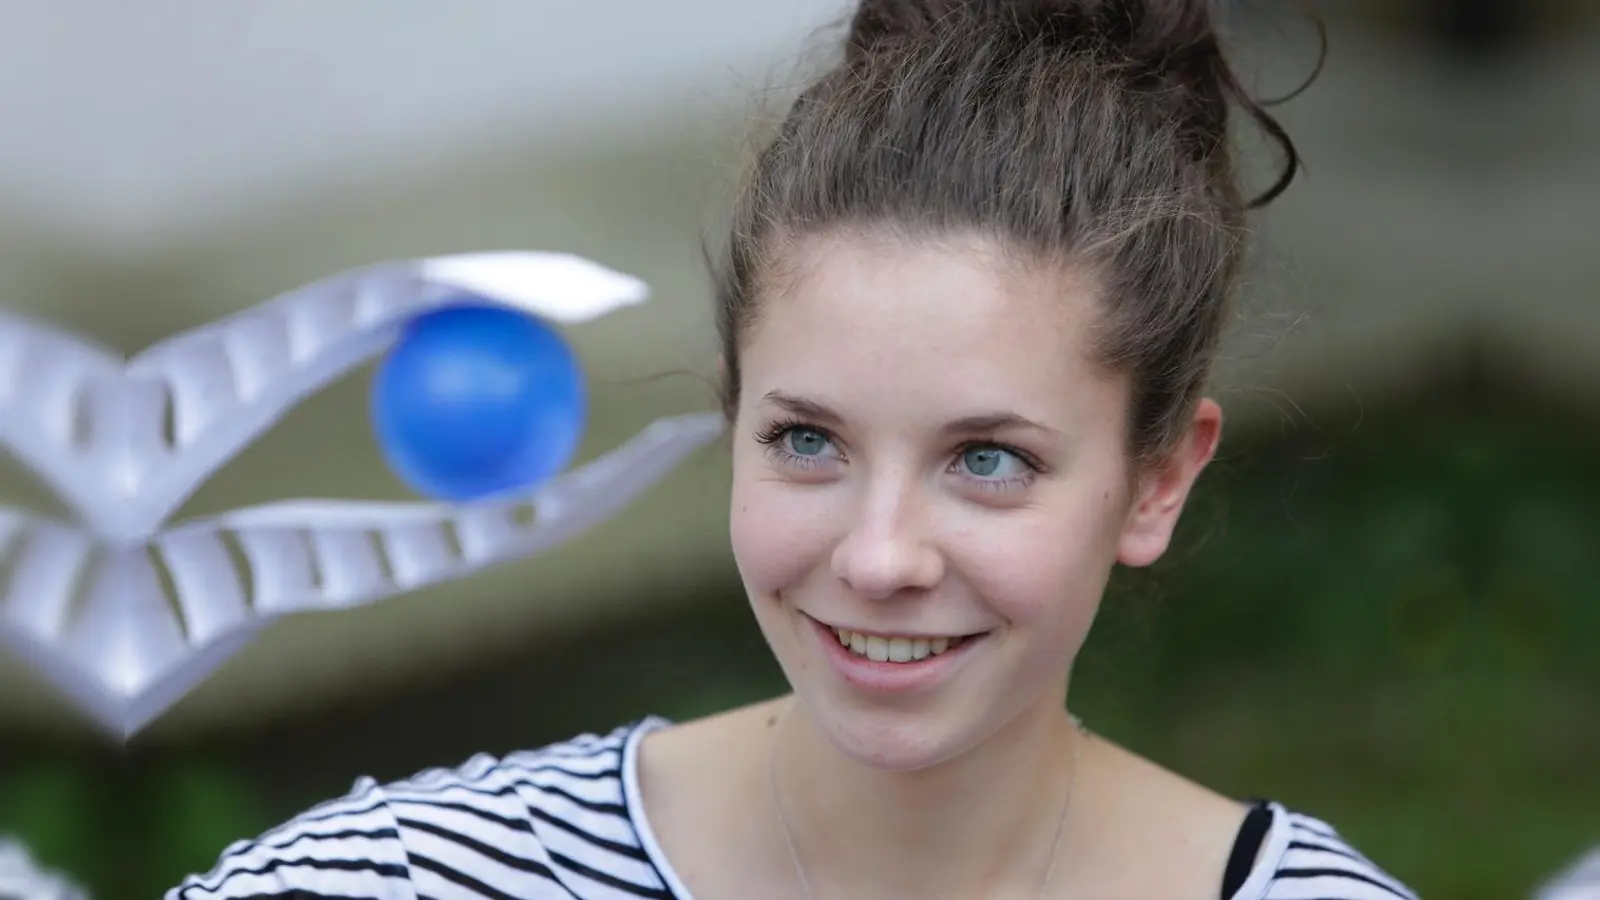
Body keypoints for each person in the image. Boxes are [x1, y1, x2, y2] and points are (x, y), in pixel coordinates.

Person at [166, 1, 1421, 897]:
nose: (879, 558)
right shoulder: (382, 882)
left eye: (988, 460)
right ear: (732, 421)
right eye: (807, 440)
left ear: (1156, 480)